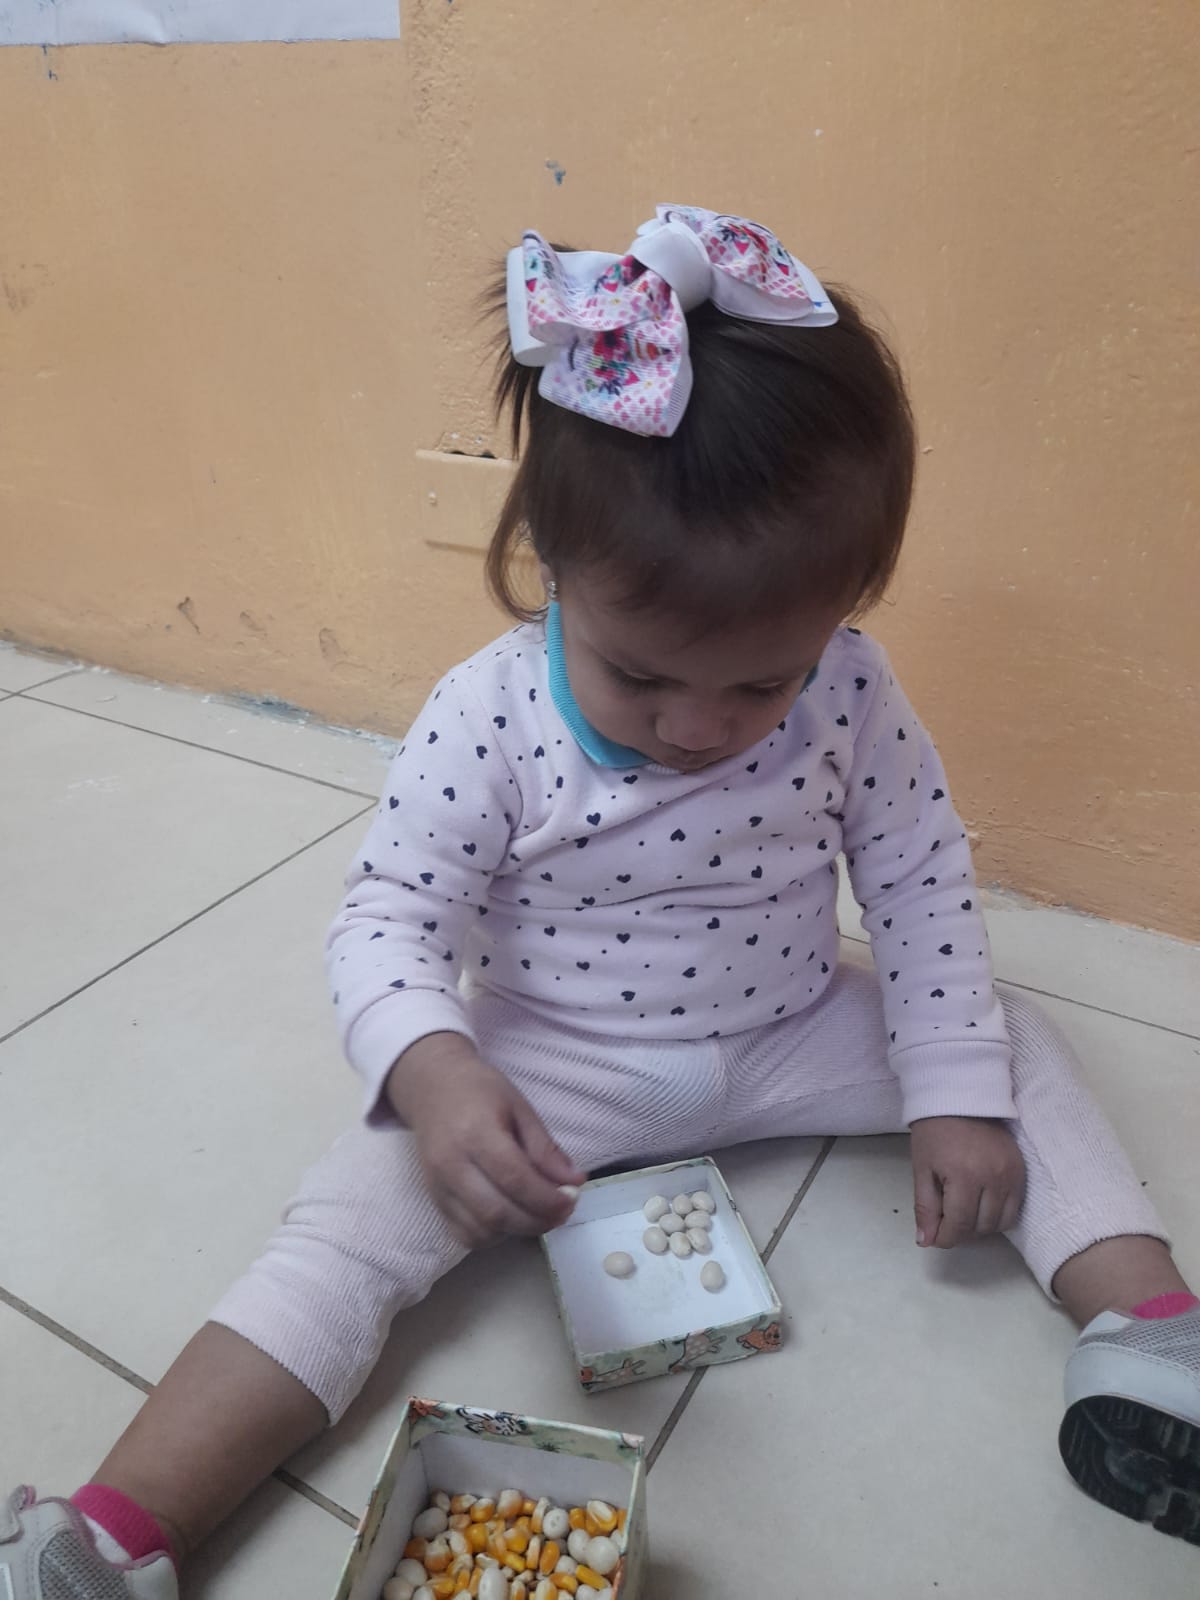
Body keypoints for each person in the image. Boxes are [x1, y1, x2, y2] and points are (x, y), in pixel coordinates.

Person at [6, 206, 1197, 1599]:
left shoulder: (856, 692)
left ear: (842, 610)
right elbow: (386, 923)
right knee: (348, 1226)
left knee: (1011, 1045)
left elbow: (920, 880)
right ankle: (116, 1534)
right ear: (555, 568)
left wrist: (948, 1086)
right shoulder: (488, 716)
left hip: (796, 1028)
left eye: (761, 684)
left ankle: (1149, 1330)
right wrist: (436, 1072)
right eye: (640, 675)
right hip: (552, 1069)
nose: (699, 729)